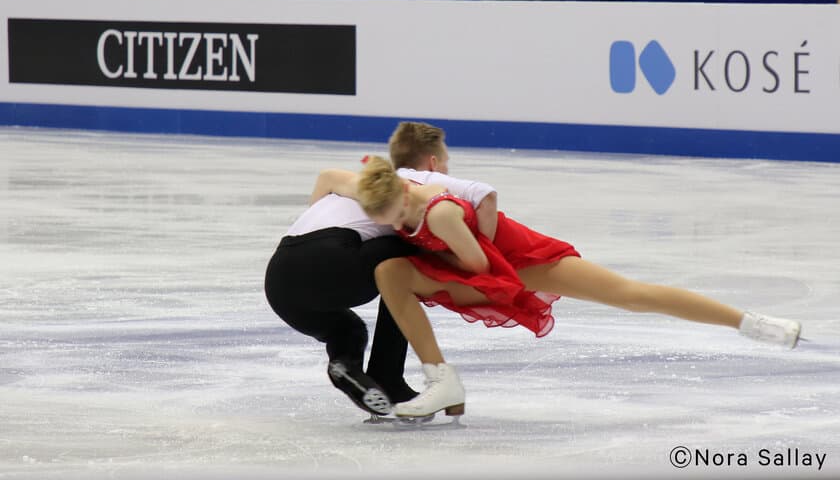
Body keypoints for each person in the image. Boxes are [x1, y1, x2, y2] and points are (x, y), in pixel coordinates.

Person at [315, 154, 803, 419]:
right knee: (391, 273)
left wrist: (426, 258)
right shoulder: (387, 192)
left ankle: (750, 322)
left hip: (519, 262)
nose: (387, 224)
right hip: (475, 268)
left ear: (403, 198)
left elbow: (479, 263)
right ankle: (442, 378)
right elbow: (331, 178)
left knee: (632, 295)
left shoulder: (439, 212)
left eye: (392, 219)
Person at [264, 122, 495, 416]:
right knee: (409, 262)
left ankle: (348, 373)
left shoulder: (362, 182)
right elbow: (485, 195)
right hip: (332, 259)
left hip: (281, 282)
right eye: (445, 166)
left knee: (348, 331)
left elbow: (326, 177)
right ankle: (388, 377)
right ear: (433, 163)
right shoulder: (417, 182)